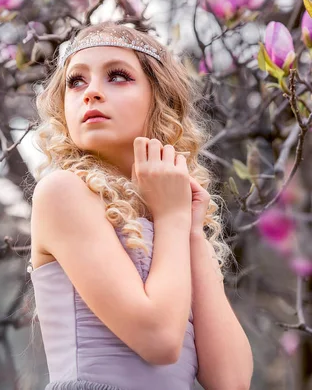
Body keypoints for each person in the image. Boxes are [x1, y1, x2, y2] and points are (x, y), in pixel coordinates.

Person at [26, 22, 253, 390]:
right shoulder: (63, 193)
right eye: (76, 81)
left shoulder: (171, 217)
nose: (91, 93)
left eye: (117, 76)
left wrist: (191, 230)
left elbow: (231, 381)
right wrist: (173, 217)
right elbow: (159, 341)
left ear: (159, 100)